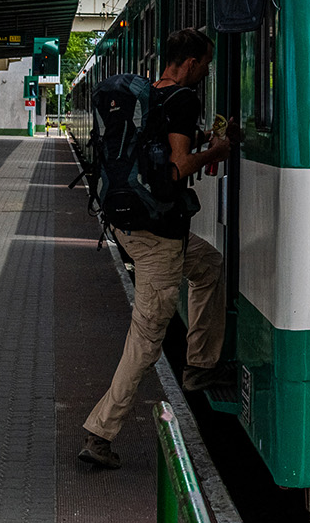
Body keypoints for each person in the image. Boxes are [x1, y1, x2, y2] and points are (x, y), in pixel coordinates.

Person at [78, 28, 240, 470]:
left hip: (132, 226)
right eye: (205, 64)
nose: (205, 72)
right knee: (147, 338)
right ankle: (99, 432)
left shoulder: (152, 96)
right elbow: (177, 168)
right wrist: (217, 150)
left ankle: (199, 364)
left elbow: (165, 149)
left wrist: (201, 140)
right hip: (158, 239)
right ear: (190, 63)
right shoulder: (184, 100)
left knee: (209, 266)